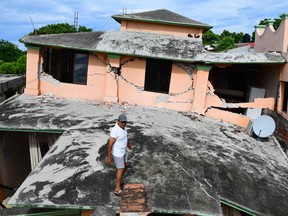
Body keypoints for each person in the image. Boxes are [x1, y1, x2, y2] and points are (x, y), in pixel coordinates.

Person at [106, 113, 132, 196]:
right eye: (122, 122)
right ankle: (117, 189)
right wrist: (109, 157)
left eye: (125, 122)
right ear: (117, 121)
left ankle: (119, 180)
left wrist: (128, 145)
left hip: (123, 151)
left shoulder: (124, 128)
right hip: (118, 154)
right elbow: (110, 143)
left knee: (125, 165)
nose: (124, 124)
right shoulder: (115, 130)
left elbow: (125, 137)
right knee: (120, 169)